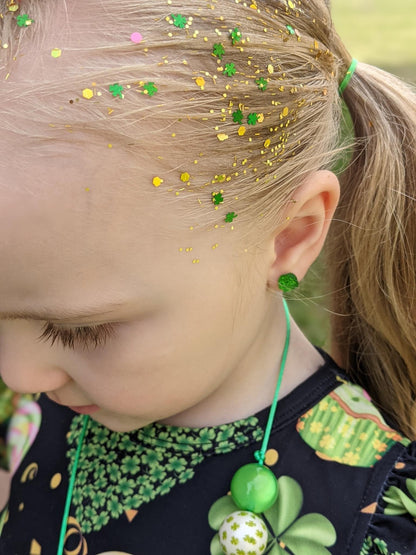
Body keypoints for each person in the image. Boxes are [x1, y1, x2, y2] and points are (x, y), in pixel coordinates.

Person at [0, 0, 415, 553]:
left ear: (289, 236)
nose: (19, 376)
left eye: (80, 330)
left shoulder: (368, 517)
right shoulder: (55, 394)